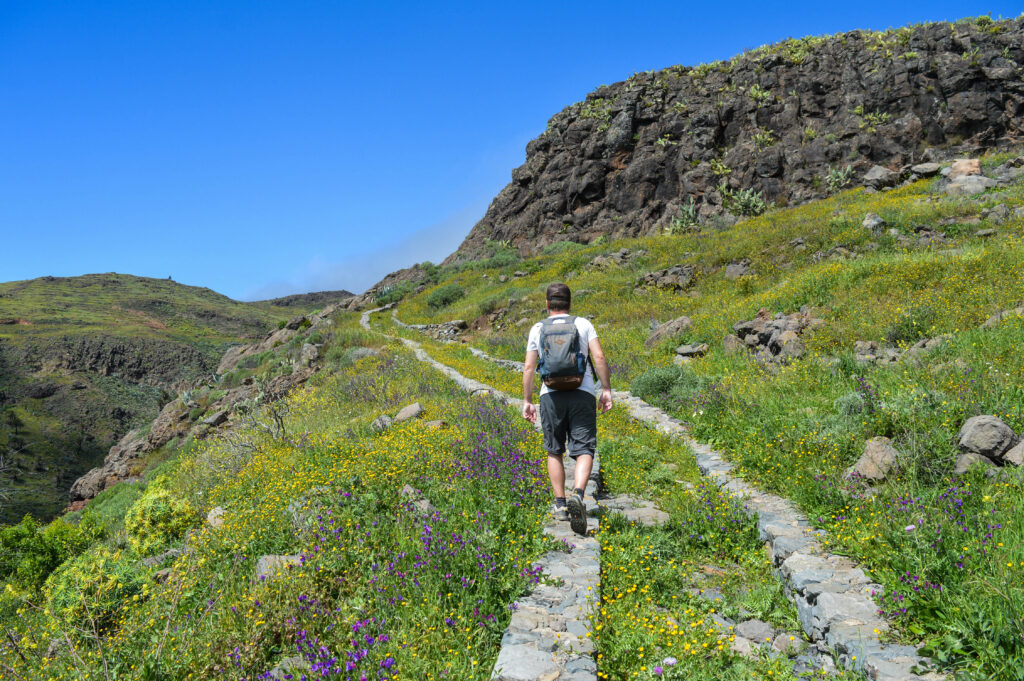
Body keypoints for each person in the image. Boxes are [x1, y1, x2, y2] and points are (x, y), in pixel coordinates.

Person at [522, 283, 613, 535]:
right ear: (570, 303)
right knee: (584, 448)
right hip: (582, 393)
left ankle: (561, 505)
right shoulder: (583, 324)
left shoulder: (538, 328)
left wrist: (527, 401)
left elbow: (529, 368)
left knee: (554, 450)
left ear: (547, 303)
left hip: (550, 395)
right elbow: (600, 357)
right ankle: (579, 494)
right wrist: (605, 389)